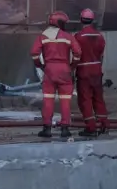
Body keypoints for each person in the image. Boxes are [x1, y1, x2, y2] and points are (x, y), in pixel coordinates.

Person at [30, 11, 80, 140]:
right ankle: (65, 129)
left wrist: (39, 65)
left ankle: (47, 128)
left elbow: (34, 52)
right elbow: (78, 53)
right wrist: (72, 67)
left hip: (49, 70)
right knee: (65, 101)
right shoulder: (68, 36)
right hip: (64, 69)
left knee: (48, 100)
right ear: (60, 23)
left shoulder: (43, 36)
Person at [75, 8, 109, 136]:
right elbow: (101, 55)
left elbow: (76, 55)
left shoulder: (78, 37)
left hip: (84, 70)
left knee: (85, 99)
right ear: (92, 20)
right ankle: (104, 124)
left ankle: (91, 127)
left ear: (81, 20)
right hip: (97, 70)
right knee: (98, 98)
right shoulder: (99, 36)